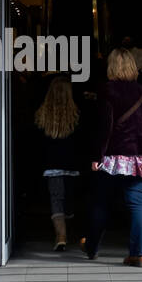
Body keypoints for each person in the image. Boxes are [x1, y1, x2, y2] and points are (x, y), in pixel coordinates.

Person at [83, 47, 142, 267]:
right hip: (141, 154)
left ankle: (92, 247)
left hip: (113, 154)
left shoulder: (106, 91)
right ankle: (139, 253)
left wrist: (97, 155)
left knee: (101, 203)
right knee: (137, 204)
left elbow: (104, 126)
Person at [33, 76, 84, 252]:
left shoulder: (42, 114)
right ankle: (69, 216)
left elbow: (38, 143)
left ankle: (61, 236)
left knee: (56, 200)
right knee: (69, 199)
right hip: (72, 165)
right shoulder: (76, 114)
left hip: (51, 165)